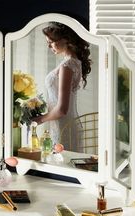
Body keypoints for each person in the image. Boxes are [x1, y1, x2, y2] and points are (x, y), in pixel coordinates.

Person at [33, 22, 91, 152]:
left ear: (66, 40)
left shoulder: (67, 66)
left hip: (64, 128)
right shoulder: (73, 62)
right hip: (64, 125)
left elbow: (62, 110)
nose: (49, 46)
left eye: (51, 41)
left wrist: (38, 120)